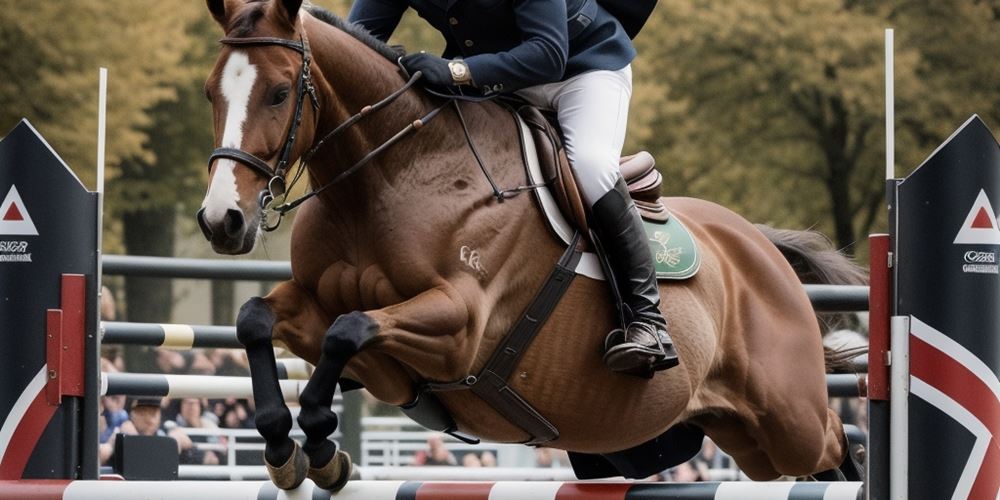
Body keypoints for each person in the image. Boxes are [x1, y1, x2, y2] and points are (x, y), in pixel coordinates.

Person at [348, 0, 677, 375]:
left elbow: (549, 54)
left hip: (580, 70)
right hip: (497, 81)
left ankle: (648, 320)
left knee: (590, 165)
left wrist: (455, 69)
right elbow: (356, 40)